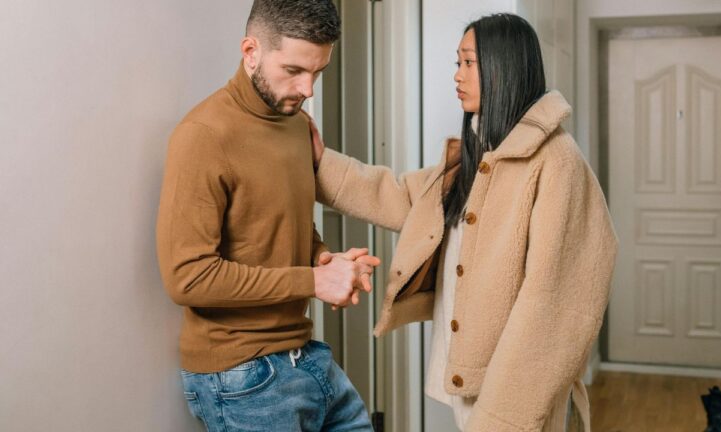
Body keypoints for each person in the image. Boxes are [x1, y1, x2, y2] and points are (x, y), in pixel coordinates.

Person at [310, 13, 617, 432]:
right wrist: (318, 163)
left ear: (503, 66)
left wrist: (502, 414)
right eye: (458, 62)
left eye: (468, 63)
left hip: (514, 392)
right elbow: (400, 197)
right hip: (476, 375)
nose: (457, 75)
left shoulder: (557, 162)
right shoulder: (479, 154)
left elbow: (556, 304)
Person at [155, 1, 378, 430]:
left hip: (306, 356)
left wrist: (324, 260)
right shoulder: (203, 136)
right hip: (241, 375)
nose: (308, 89)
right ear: (251, 51)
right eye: (294, 70)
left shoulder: (295, 123)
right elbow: (188, 277)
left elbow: (281, 221)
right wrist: (313, 281)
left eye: (318, 72)